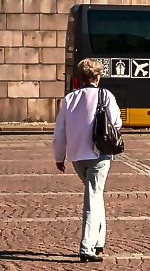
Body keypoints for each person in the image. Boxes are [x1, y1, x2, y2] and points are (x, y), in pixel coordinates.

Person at [53, 57, 121, 262]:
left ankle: (99, 240)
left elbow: (60, 130)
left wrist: (59, 156)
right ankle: (87, 247)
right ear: (97, 76)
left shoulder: (70, 98)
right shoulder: (105, 94)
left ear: (81, 77)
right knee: (93, 197)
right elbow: (116, 121)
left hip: (77, 156)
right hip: (99, 153)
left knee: (95, 194)